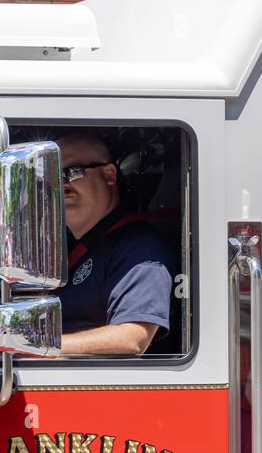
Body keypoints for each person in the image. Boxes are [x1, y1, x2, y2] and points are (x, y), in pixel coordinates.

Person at [50, 130, 174, 356]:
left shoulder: (140, 249)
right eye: (51, 177)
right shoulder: (76, 247)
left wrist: (41, 347)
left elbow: (133, 337)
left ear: (109, 175)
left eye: (71, 172)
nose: (61, 184)